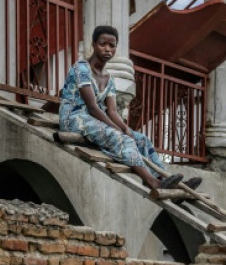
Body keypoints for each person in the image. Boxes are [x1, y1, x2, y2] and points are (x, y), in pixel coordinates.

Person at [59, 25, 201, 191]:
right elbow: (92, 107)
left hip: (93, 120)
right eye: (103, 44)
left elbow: (112, 111)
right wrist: (116, 129)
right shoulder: (81, 68)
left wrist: (125, 128)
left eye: (112, 45)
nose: (107, 49)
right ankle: (152, 182)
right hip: (73, 118)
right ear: (93, 45)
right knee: (121, 138)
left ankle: (167, 180)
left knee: (141, 139)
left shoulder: (109, 79)